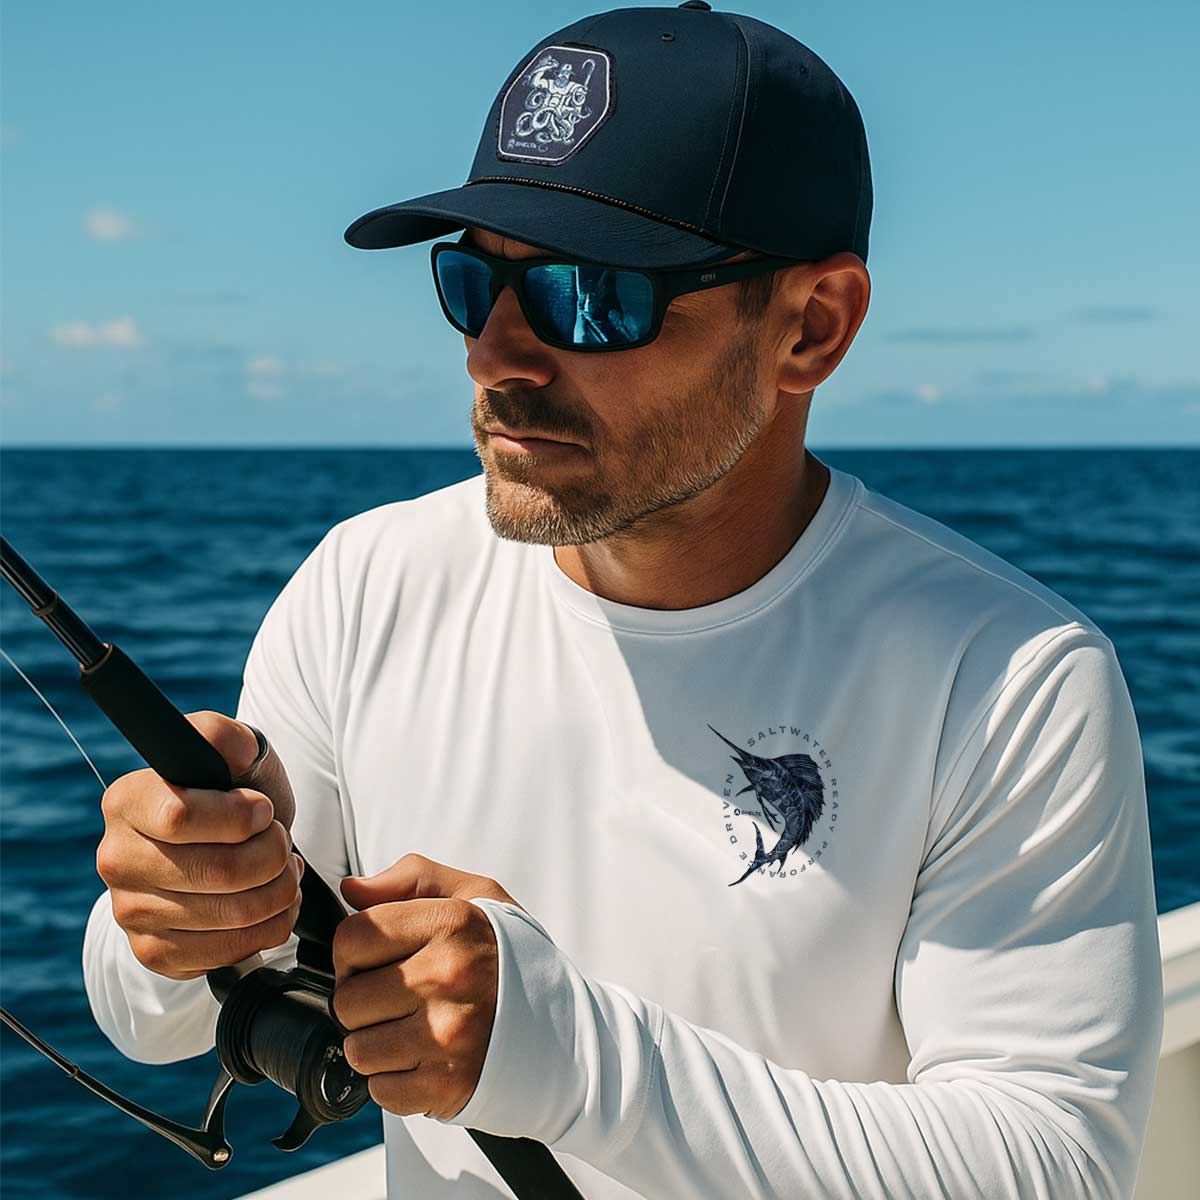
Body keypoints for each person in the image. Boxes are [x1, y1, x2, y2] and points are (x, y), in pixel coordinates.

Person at [81, 5, 1164, 1198]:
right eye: (470, 282)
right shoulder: (363, 583)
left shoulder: (1010, 672)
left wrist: (571, 1056)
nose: (498, 355)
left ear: (812, 326)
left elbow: (1054, 1167)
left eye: (592, 295)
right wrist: (176, 924)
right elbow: (165, 1024)